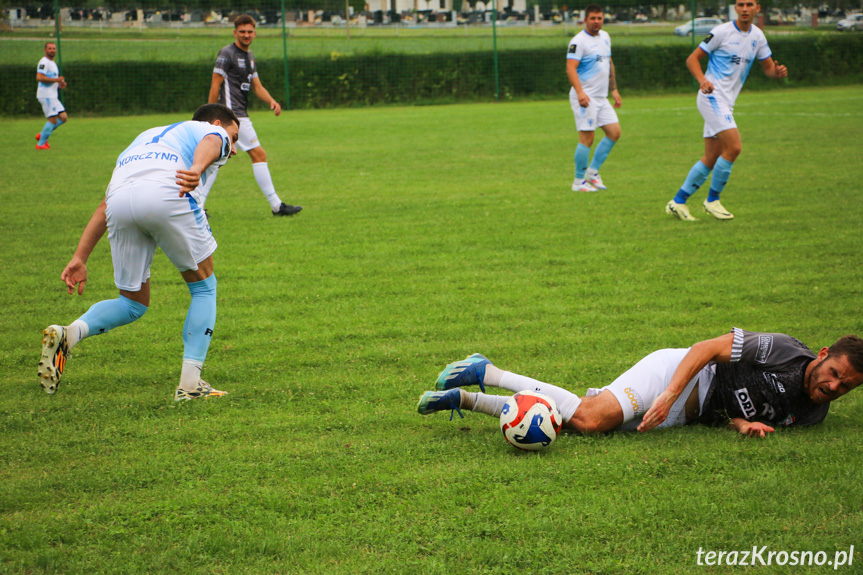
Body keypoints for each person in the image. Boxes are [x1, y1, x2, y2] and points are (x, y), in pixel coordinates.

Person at [37, 103, 240, 401]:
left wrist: (80, 257)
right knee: (204, 287)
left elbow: (105, 205)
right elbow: (213, 140)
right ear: (219, 123)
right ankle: (190, 386)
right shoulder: (209, 130)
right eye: (234, 137)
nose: (233, 149)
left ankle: (69, 334)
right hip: (168, 193)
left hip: (121, 203)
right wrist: (196, 169)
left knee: (132, 302)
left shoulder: (144, 138)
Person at [418, 328, 863, 437]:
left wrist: (739, 425)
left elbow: (738, 410)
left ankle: (468, 395)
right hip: (682, 376)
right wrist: (671, 391)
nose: (833, 386)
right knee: (591, 419)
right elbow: (708, 347)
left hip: (686, 416)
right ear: (823, 355)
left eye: (845, 387)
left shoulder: (812, 414)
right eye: (834, 374)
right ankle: (490, 372)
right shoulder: (784, 350)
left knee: (571, 421)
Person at [665, 0, 788, 221]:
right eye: (740, 4)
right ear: (735, 8)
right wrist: (702, 80)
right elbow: (692, 59)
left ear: (757, 9)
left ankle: (678, 201)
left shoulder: (757, 36)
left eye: (749, 4)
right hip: (711, 97)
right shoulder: (721, 32)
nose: (744, 8)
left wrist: (776, 72)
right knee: (734, 147)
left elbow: (768, 68)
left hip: (726, 102)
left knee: (711, 157)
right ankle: (712, 200)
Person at [200, 14, 302, 217]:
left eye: (250, 32)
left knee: (215, 160)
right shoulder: (227, 54)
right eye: (242, 32)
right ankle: (276, 206)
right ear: (235, 32)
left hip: (237, 114)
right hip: (231, 115)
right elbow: (215, 84)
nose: (246, 35)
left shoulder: (250, 56)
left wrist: (271, 101)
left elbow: (256, 85)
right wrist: (211, 114)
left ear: (255, 33)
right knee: (258, 154)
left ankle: (197, 205)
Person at [566, 4, 622, 193]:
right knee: (587, 137)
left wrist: (613, 89)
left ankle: (593, 172)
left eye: (599, 18)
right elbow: (570, 68)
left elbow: (609, 62)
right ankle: (578, 181)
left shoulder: (605, 37)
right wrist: (580, 92)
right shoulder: (578, 41)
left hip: (601, 97)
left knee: (614, 132)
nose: (596, 21)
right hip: (585, 97)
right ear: (585, 19)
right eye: (593, 18)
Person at [35, 42, 68, 150]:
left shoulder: (52, 63)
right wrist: (56, 80)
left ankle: (43, 133)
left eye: (53, 48)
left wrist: (59, 83)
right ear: (45, 50)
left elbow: (51, 79)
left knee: (63, 118)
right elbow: (39, 77)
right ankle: (41, 144)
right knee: (53, 120)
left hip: (52, 95)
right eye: (50, 48)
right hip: (46, 95)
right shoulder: (44, 62)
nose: (52, 50)